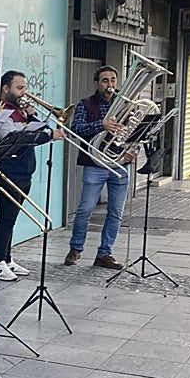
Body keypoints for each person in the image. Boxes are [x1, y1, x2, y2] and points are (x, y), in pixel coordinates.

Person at [0, 71, 61, 282]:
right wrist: (48, 136)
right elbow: (14, 138)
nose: (24, 93)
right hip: (8, 172)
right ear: (5, 89)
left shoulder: (19, 110)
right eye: (19, 88)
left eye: (25, 88)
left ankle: (7, 258)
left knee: (12, 220)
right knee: (6, 218)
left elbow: (37, 128)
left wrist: (31, 114)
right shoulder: (1, 111)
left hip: (24, 171)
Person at [66, 65, 132, 271]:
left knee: (115, 212)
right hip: (94, 164)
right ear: (96, 83)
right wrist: (100, 125)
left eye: (113, 80)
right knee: (85, 209)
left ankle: (105, 253)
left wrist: (133, 149)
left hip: (120, 164)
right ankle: (76, 248)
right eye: (105, 80)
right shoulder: (86, 104)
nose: (110, 85)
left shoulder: (126, 104)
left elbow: (135, 130)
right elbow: (76, 129)